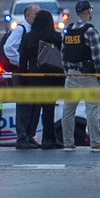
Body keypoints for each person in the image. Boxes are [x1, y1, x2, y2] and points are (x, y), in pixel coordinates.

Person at [61, 1, 100, 151]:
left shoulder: (68, 30)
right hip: (88, 75)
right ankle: (96, 142)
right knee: (92, 108)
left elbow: (63, 55)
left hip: (71, 75)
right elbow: (97, 57)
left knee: (68, 110)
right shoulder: (90, 31)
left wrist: (68, 73)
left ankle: (68, 142)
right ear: (88, 12)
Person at [21, 9, 65, 149]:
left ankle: (28, 136)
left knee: (34, 109)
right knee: (49, 109)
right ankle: (49, 138)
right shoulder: (56, 37)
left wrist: (24, 77)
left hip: (34, 77)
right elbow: (62, 57)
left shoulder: (29, 38)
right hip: (52, 76)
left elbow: (23, 60)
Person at [4, 4, 41, 148]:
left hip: (32, 73)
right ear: (28, 16)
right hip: (22, 74)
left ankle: (29, 136)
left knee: (34, 105)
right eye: (36, 14)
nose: (39, 17)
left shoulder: (34, 30)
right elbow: (9, 47)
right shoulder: (21, 29)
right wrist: (21, 64)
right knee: (24, 106)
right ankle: (22, 137)